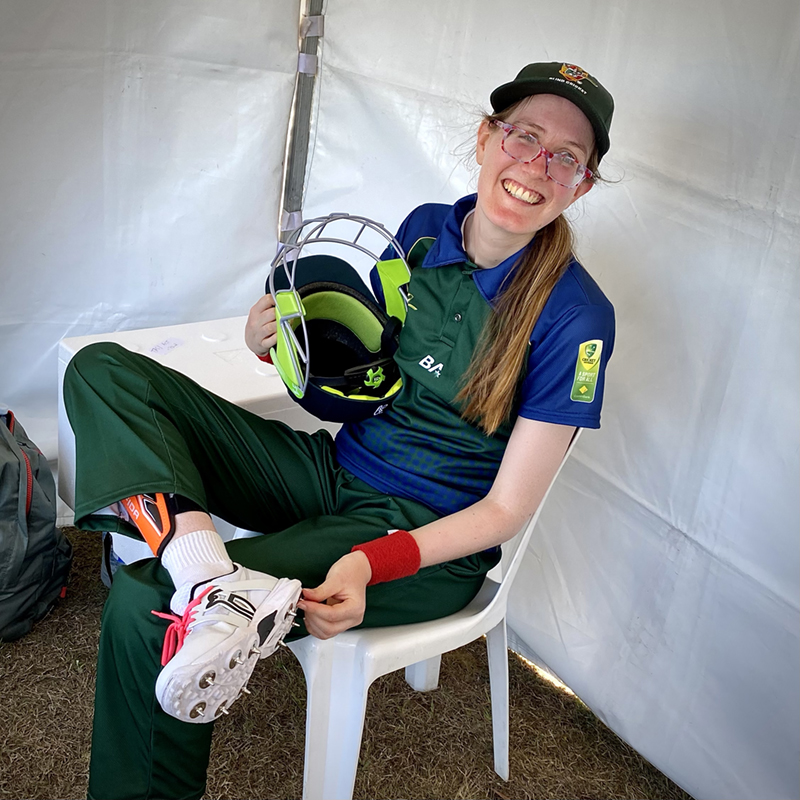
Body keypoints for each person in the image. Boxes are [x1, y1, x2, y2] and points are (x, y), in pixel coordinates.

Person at [64, 61, 615, 800]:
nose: (536, 167)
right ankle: (207, 575)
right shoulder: (422, 234)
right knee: (104, 369)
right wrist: (281, 347)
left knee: (142, 604)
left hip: (417, 539)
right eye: (524, 136)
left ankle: (197, 595)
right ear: (487, 138)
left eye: (567, 158)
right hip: (334, 473)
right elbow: (356, 391)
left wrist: (369, 564)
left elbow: (504, 513)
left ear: (581, 184)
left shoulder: (577, 318)